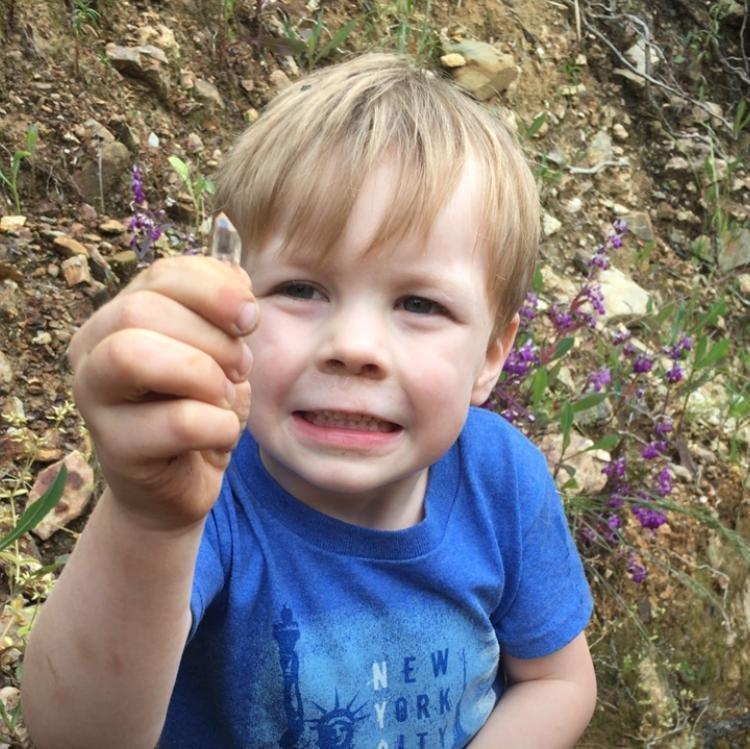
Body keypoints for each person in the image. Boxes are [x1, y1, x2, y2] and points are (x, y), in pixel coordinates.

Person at [21, 54, 596, 749]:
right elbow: (73, 735)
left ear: (491, 358)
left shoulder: (503, 478)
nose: (354, 345)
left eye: (419, 303)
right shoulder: (210, 492)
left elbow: (557, 680)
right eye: (300, 288)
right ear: (230, 305)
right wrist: (149, 520)